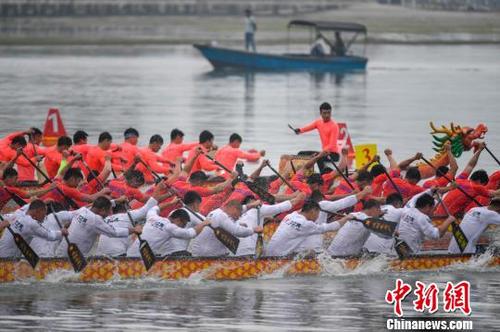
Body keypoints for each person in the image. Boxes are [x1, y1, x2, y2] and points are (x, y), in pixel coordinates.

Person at [55, 196, 142, 257]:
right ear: (103, 210)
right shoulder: (95, 220)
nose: (108, 215)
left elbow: (93, 206)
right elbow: (113, 232)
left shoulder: (82, 210)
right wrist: (134, 230)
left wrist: (116, 201)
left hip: (60, 253)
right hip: (73, 259)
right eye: (108, 212)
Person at [265, 200, 351, 257]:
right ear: (313, 211)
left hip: (268, 253)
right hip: (277, 258)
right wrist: (346, 218)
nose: (318, 217)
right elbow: (329, 227)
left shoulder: (290, 215)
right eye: (318, 213)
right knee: (314, 253)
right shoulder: (306, 225)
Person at [127, 207, 210, 258]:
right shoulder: (170, 227)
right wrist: (204, 223)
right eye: (183, 224)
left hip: (130, 254)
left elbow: (154, 208)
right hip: (142, 259)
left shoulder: (153, 217)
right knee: (185, 255)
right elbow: (190, 234)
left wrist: (171, 202)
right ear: (177, 220)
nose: (183, 227)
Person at [190, 200, 263, 257]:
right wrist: (253, 230)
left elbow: (239, 209)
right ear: (234, 209)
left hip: (201, 252)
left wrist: (251, 205)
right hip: (207, 255)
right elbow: (237, 231)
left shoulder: (217, 212)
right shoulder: (222, 216)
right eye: (238, 215)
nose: (238, 218)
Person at [0, 200, 68, 258]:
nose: (44, 217)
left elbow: (29, 206)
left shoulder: (19, 213)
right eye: (44, 214)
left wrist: (43, 202)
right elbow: (50, 236)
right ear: (38, 211)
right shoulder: (31, 224)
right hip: (8, 258)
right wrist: (61, 232)